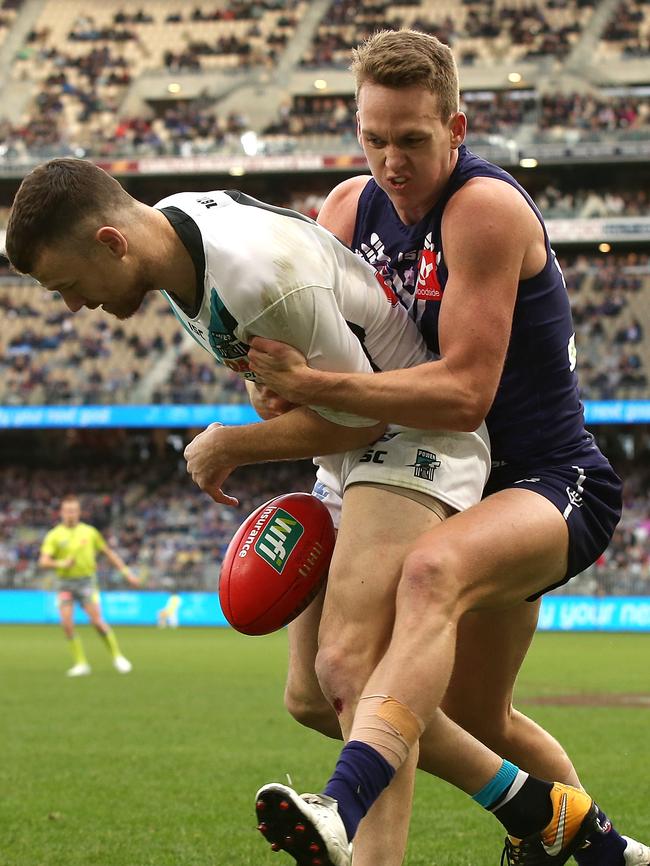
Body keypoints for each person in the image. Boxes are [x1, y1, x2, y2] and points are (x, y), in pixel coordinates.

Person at [247, 28, 650, 866]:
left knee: (425, 587)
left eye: (413, 140)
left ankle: (343, 806)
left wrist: (318, 387)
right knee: (459, 717)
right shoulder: (346, 212)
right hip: (431, 478)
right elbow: (326, 368)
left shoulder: (485, 211)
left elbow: (466, 390)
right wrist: (271, 386)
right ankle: (581, 840)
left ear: (457, 130)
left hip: (544, 483)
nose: (391, 160)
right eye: (374, 138)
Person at [39, 494, 139, 676]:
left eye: (74, 511)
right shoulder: (54, 535)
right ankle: (81, 663)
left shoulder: (89, 532)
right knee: (67, 624)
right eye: (67, 511)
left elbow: (108, 553)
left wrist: (127, 573)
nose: (71, 514)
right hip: (65, 584)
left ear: (79, 513)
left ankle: (117, 657)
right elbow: (43, 561)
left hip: (86, 582)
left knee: (97, 622)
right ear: (61, 513)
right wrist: (60, 564)